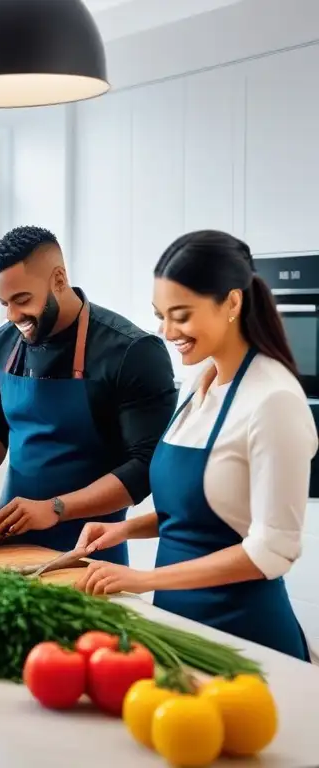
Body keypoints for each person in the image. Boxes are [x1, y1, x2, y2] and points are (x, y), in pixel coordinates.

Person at [76, 230, 316, 661]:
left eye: (181, 315)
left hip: (245, 640)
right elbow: (200, 512)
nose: (167, 331)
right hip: (177, 627)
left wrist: (143, 580)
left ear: (232, 303)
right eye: (160, 315)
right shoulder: (196, 381)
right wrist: (125, 528)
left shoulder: (273, 400)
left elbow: (272, 552)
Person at [0, 226, 178, 565]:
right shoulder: (3, 342)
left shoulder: (133, 351)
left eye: (22, 300)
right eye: (4, 303)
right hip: (9, 539)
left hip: (88, 549)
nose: (12, 316)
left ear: (59, 279)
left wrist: (56, 508)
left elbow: (144, 468)